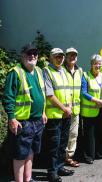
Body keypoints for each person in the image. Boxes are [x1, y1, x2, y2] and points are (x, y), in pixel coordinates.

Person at [3, 43, 47, 182]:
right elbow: (8, 97)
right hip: (23, 122)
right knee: (20, 154)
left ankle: (28, 179)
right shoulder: (15, 72)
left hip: (37, 120)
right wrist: (12, 118)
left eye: (34, 53)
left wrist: (43, 112)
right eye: (29, 53)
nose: (32, 56)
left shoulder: (39, 71)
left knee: (31, 151)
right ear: (22, 56)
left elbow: (43, 94)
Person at [44, 48, 74, 182]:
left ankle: (60, 166)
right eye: (56, 56)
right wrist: (64, 108)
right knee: (53, 145)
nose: (60, 58)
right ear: (51, 58)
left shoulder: (64, 71)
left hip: (66, 114)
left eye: (61, 56)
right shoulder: (47, 71)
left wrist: (70, 106)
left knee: (63, 143)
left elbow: (69, 91)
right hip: (55, 115)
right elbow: (50, 95)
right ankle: (51, 172)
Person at [80, 54, 102, 163]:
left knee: (101, 132)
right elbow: (83, 92)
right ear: (91, 64)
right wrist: (96, 100)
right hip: (90, 111)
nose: (97, 66)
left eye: (99, 64)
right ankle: (89, 156)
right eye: (95, 63)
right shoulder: (86, 75)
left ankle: (99, 153)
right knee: (90, 135)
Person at [64, 47, 82, 167]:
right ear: (66, 57)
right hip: (64, 109)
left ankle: (69, 157)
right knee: (63, 135)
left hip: (75, 109)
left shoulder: (79, 71)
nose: (73, 57)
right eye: (70, 55)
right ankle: (61, 157)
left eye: (74, 55)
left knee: (73, 134)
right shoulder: (61, 70)